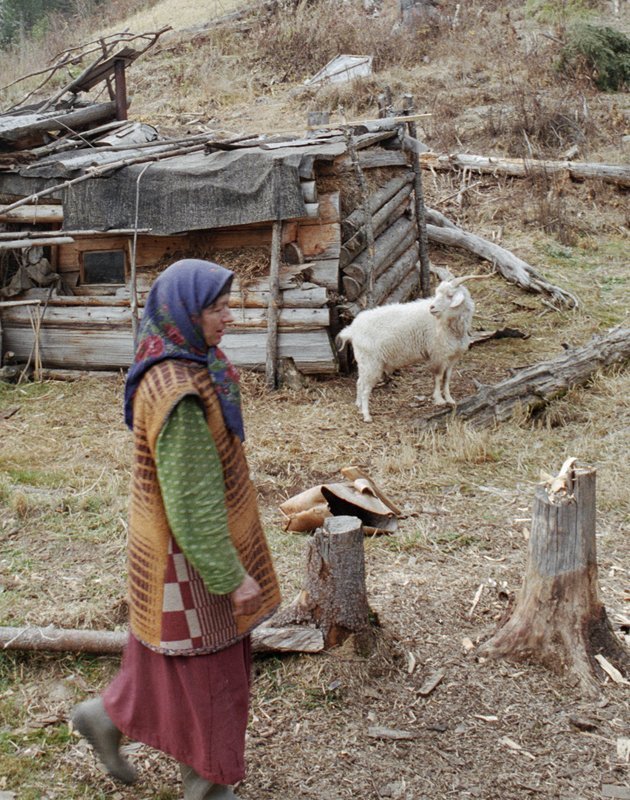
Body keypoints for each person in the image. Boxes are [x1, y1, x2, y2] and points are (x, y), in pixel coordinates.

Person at [70, 259, 281, 800]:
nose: (228, 317)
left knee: (164, 662)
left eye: (227, 304)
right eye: (216, 307)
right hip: (188, 564)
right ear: (184, 311)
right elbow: (191, 503)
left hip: (164, 555)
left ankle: (105, 718)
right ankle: (208, 792)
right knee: (214, 680)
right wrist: (230, 576)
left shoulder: (184, 364)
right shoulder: (180, 393)